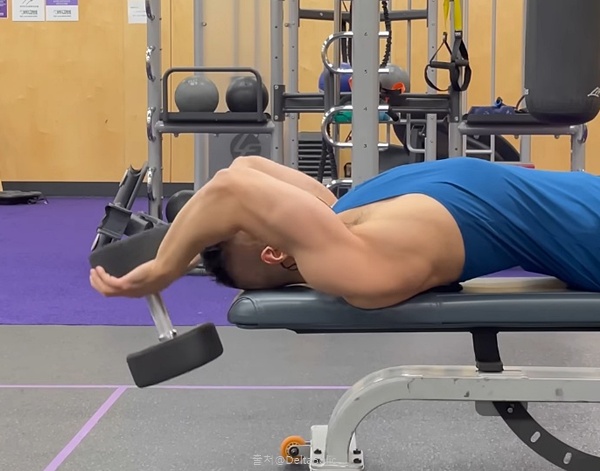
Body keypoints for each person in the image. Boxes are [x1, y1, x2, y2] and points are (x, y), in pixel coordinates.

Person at [90, 156, 600, 309]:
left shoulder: (361, 252)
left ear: (276, 253)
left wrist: (166, 266)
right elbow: (239, 180)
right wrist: (184, 245)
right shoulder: (358, 219)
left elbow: (236, 182)